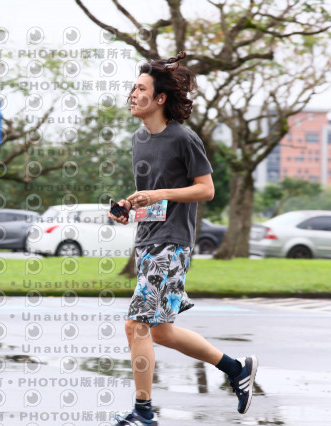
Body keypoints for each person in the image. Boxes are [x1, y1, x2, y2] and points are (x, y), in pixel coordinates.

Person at [108, 52, 257, 425]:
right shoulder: (139, 140)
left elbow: (205, 189)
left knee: (136, 325)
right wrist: (130, 207)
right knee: (161, 333)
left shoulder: (183, 138)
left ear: (160, 98)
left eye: (140, 89)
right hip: (148, 240)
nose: (132, 95)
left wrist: (159, 194)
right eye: (132, 88)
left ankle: (144, 413)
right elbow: (154, 197)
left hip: (172, 244)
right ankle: (237, 369)